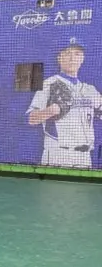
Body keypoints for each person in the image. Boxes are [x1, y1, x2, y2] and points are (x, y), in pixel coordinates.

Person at [26, 38, 102, 169]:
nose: (72, 58)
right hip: (58, 154)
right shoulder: (49, 84)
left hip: (84, 156)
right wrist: (51, 110)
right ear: (59, 58)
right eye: (67, 53)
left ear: (82, 59)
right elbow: (31, 119)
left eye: (77, 54)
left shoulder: (90, 90)